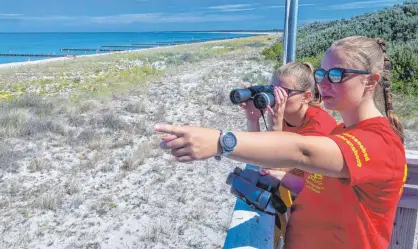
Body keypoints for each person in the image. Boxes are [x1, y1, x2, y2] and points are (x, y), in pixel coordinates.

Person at [156, 36, 407, 249]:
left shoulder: (381, 144)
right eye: (321, 73)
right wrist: (277, 176)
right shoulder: (342, 131)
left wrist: (223, 142)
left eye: (337, 74)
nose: (324, 82)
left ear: (371, 81)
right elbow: (317, 188)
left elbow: (301, 151)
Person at [240, 62, 338, 246]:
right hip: (296, 199)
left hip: (322, 214)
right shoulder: (287, 116)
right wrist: (252, 119)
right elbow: (261, 159)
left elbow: (272, 170)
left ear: (306, 97)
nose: (277, 99)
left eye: (284, 93)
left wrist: (276, 126)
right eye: (273, 91)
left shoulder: (318, 129)